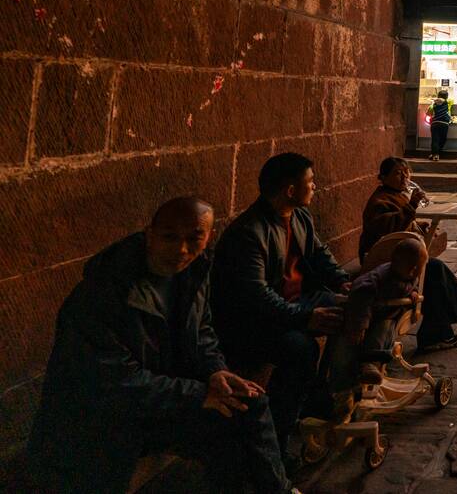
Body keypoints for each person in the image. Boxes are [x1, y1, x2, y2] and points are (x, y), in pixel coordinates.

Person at [28, 198, 294, 494]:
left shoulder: (194, 271)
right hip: (104, 414)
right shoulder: (104, 293)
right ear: (149, 234)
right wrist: (198, 394)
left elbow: (201, 332)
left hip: (162, 397)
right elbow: (114, 381)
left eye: (194, 238)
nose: (182, 249)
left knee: (246, 405)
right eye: (169, 237)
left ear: (208, 236)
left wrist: (215, 371)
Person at [211, 152, 350, 456]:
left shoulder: (299, 216)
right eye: (310, 182)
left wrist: (341, 281)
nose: (315, 187)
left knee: (348, 308)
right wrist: (305, 317)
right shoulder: (250, 233)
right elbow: (257, 298)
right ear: (290, 189)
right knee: (301, 348)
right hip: (253, 322)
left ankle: (320, 392)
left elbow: (317, 253)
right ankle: (276, 436)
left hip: (293, 303)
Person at [358, 157, 457, 350]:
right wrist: (411, 207)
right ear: (382, 177)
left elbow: (404, 221)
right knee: (434, 269)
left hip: (398, 257)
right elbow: (388, 228)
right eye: (398, 173)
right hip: (381, 260)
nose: (404, 177)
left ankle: (439, 335)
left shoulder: (396, 195)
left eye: (406, 172)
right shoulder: (380, 200)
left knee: (431, 275)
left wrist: (417, 225)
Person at [327, 237, 427, 419]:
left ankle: (371, 364)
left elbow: (407, 286)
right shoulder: (378, 278)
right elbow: (360, 295)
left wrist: (411, 293)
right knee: (353, 344)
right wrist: (360, 325)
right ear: (413, 270)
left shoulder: (405, 275)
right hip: (361, 315)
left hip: (383, 314)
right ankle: (346, 391)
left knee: (384, 329)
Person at [429, 90, 452, 161]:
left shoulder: (433, 103)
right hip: (444, 124)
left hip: (435, 123)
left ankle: (434, 154)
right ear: (446, 97)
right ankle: (437, 153)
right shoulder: (448, 102)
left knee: (435, 139)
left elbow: (428, 112)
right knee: (443, 139)